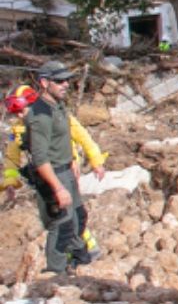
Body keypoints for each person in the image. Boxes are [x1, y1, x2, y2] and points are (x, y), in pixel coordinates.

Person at [4, 83, 108, 261]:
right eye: (16, 114)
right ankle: (71, 255)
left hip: (65, 170)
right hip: (44, 177)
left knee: (75, 213)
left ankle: (84, 248)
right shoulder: (19, 129)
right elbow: (11, 157)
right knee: (58, 217)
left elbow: (81, 137)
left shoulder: (57, 116)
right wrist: (10, 181)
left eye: (22, 110)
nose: (20, 116)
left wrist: (94, 160)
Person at [24, 62, 92, 275]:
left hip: (66, 170)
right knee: (61, 225)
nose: (66, 84)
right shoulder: (40, 115)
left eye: (67, 80)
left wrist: (72, 160)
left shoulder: (58, 105)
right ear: (44, 83)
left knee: (79, 216)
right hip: (53, 174)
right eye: (60, 81)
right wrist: (58, 188)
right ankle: (56, 273)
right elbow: (40, 158)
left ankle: (78, 262)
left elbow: (63, 137)